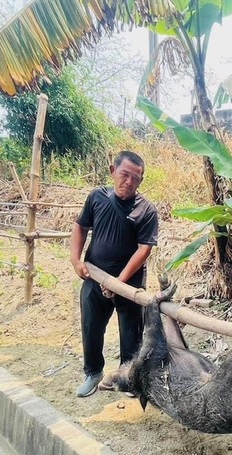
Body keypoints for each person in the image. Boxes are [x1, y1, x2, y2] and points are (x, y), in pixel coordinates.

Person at [70, 150, 159, 397]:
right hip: (94, 276)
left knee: (131, 330)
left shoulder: (147, 210)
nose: (129, 181)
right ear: (113, 171)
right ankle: (93, 372)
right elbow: (80, 227)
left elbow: (144, 250)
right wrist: (76, 260)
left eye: (136, 178)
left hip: (128, 283)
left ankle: (128, 377)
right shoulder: (97, 197)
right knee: (91, 326)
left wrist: (119, 283)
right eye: (124, 174)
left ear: (141, 180)